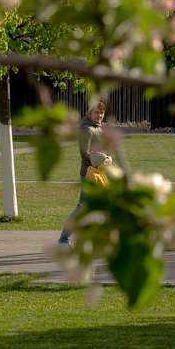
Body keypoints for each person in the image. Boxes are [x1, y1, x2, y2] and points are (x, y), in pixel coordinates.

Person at [59, 101, 112, 245]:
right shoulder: (86, 129)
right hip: (89, 174)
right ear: (89, 113)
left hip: (101, 173)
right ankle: (64, 240)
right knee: (83, 208)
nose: (99, 115)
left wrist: (109, 157)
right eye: (96, 112)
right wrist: (101, 159)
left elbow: (105, 149)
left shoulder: (98, 128)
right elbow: (85, 154)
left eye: (101, 113)